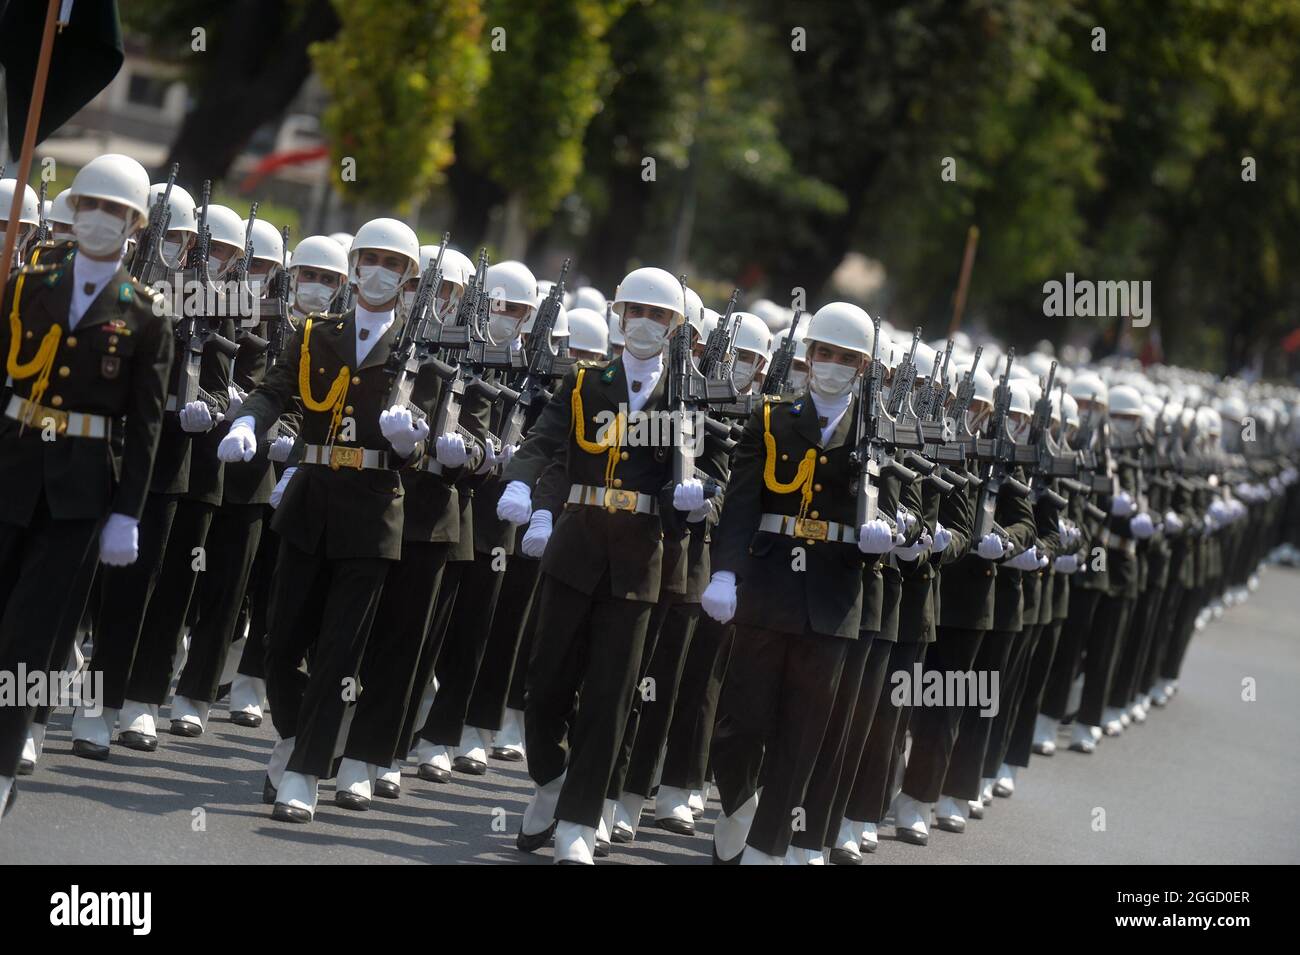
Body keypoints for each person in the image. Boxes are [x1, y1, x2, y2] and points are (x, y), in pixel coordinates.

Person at [0, 154, 173, 820]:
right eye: (90, 206)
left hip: (78, 491)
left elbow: (146, 423)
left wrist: (127, 512)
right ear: (73, 213)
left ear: (133, 225)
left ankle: (4, 762)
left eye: (115, 211)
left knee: (29, 637)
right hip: (11, 466)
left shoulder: (148, 313)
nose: (100, 219)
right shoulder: (25, 286)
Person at [700, 302, 898, 864]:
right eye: (824, 354)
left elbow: (908, 509)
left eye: (846, 358)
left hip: (834, 597)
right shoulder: (770, 419)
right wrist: (724, 572)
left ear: (864, 367)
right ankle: (738, 798)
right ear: (808, 358)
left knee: (803, 733)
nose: (832, 365)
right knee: (739, 725)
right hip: (768, 587)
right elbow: (740, 507)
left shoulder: (879, 434)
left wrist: (891, 531)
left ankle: (768, 847)